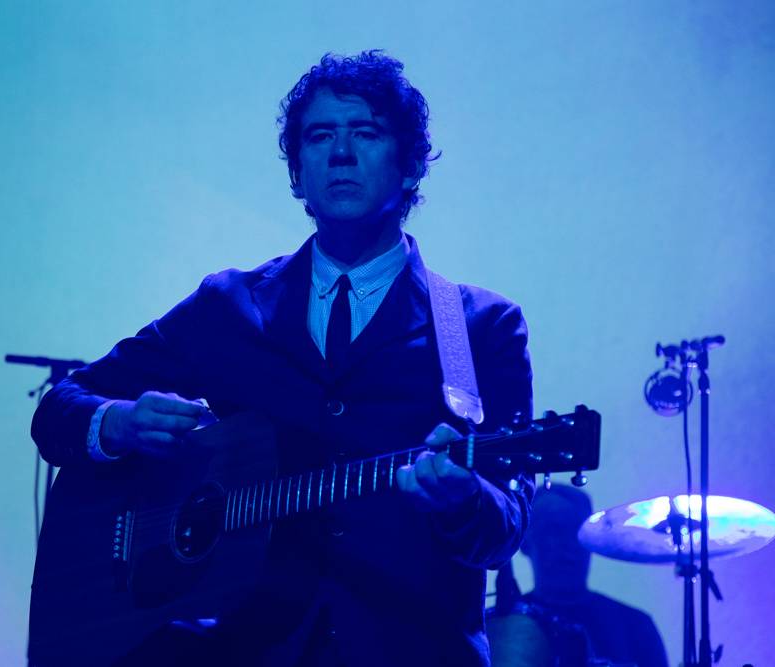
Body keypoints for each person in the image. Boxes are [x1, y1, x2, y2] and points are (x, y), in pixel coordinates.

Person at [29, 50, 535, 666]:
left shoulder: (480, 327)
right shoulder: (229, 306)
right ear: (298, 175)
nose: (340, 153)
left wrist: (464, 502)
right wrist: (119, 422)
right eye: (319, 136)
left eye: (365, 133)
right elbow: (58, 408)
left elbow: (505, 527)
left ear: (409, 167)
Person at [503, 484, 669, 667]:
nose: (569, 543)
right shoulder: (500, 627)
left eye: (577, 531)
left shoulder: (636, 626)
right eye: (554, 530)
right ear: (525, 542)